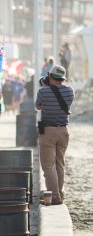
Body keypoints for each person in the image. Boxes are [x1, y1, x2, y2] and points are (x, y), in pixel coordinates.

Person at [36, 65, 74, 205]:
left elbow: (38, 106)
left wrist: (45, 87)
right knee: (59, 164)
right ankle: (59, 192)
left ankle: (55, 197)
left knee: (48, 165)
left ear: (50, 77)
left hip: (48, 132)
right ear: (63, 78)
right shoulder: (70, 91)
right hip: (64, 131)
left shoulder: (43, 91)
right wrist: (49, 87)